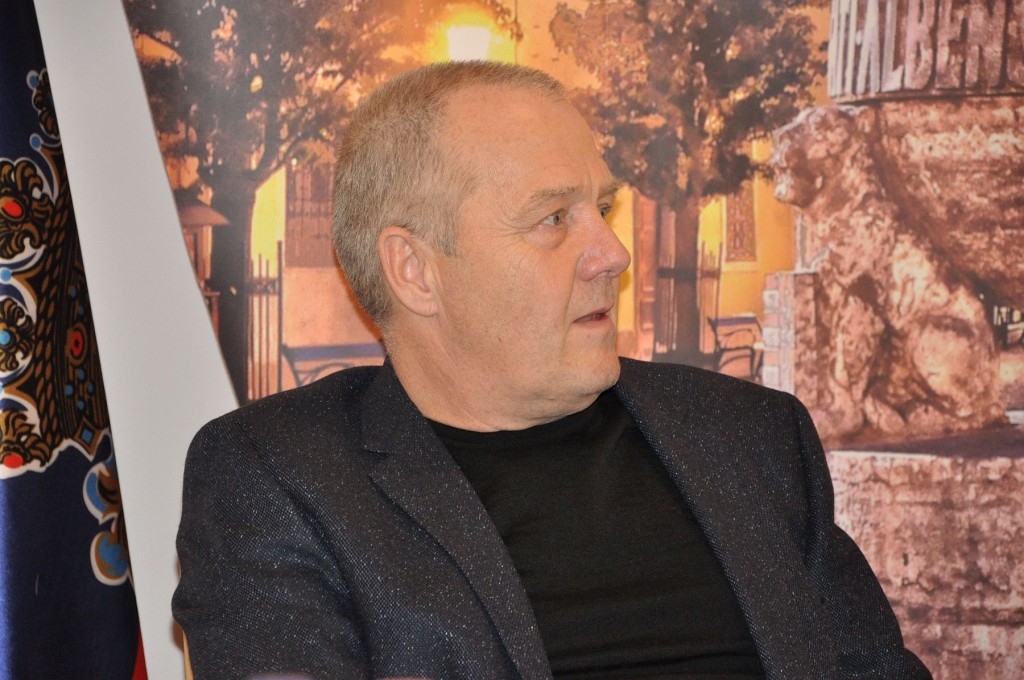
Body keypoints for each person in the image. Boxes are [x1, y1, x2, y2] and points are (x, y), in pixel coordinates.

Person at [172, 61, 931, 680]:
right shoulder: (279, 478)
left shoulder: (749, 436)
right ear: (414, 270)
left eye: (603, 208)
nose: (612, 254)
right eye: (553, 219)